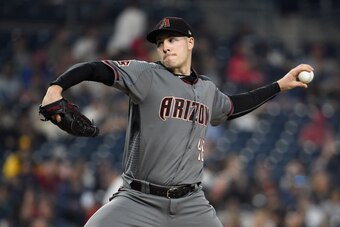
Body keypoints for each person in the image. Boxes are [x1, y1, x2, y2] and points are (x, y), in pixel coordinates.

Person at [40, 17, 314, 227]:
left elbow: (233, 106)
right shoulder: (146, 74)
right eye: (160, 43)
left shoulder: (207, 90)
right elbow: (96, 68)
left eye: (172, 39)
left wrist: (279, 85)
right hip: (138, 198)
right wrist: (56, 87)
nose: (165, 46)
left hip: (191, 203)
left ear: (190, 42)